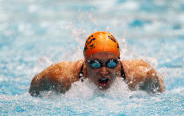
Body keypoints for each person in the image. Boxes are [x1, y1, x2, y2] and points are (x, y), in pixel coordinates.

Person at [29, 31, 165, 97]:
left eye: (112, 63)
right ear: (85, 62)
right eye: (95, 64)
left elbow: (161, 92)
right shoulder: (61, 76)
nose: (104, 71)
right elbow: (35, 85)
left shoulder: (141, 74)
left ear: (119, 61)